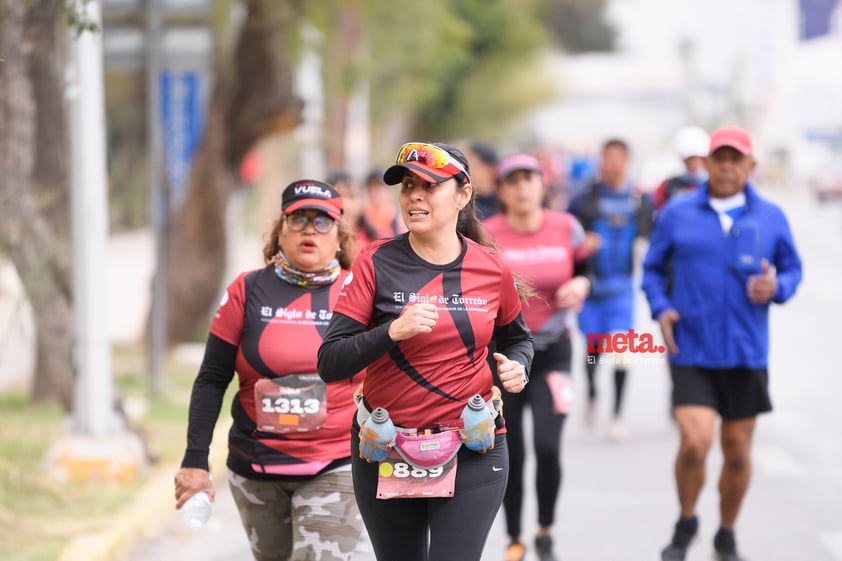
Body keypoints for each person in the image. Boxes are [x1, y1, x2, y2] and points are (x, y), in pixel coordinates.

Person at [317, 142, 534, 561]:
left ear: (463, 194)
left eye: (430, 186)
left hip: (473, 447)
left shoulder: (491, 268)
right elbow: (330, 362)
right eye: (408, 186)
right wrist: (392, 332)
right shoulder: (374, 262)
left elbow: (517, 338)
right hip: (386, 447)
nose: (415, 195)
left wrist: (518, 367)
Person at [174, 180, 364, 561]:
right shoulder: (246, 291)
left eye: (323, 222)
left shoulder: (359, 292)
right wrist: (195, 460)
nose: (310, 228)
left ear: (340, 238)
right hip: (256, 468)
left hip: (337, 463)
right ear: (280, 231)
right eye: (298, 219)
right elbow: (212, 379)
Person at [642, 126, 803, 561]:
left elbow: (792, 269)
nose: (728, 167)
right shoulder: (677, 212)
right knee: (695, 442)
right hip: (691, 346)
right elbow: (652, 269)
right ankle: (686, 519)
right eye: (720, 158)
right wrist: (662, 307)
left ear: (751, 166)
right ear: (707, 163)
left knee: (736, 450)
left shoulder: (771, 216)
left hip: (745, 350)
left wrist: (778, 285)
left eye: (737, 160)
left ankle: (726, 532)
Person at [483, 153, 591, 561]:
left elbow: (588, 269)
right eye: (512, 181)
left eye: (529, 179)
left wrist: (582, 283)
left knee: (547, 445)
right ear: (502, 191)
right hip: (504, 358)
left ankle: (544, 528)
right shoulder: (485, 234)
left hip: (553, 352)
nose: (522, 188)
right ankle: (514, 537)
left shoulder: (567, 227)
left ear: (542, 185)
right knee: (510, 452)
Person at [568, 138, 653, 441]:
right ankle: (591, 392)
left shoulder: (640, 199)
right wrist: (582, 244)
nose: (611, 164)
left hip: (622, 290)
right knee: (593, 351)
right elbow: (566, 232)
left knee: (621, 351)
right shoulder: (583, 198)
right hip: (591, 289)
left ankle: (617, 415)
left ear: (627, 161)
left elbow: (649, 235)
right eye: (607, 158)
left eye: (618, 158)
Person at [653, 125, 710, 212]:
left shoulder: (714, 184)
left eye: (697, 158)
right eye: (689, 159)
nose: (693, 163)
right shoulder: (667, 186)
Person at [355, 167, 407, 248]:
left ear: (390, 192)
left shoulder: (401, 222)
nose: (378, 193)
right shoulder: (358, 220)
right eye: (374, 188)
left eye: (382, 188)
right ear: (368, 191)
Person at [464, 140, 501, 219]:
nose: (465, 171)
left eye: (471, 164)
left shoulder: (506, 203)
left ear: (489, 167)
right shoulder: (464, 204)